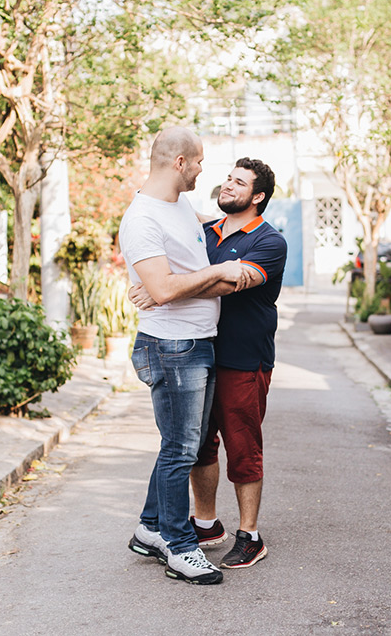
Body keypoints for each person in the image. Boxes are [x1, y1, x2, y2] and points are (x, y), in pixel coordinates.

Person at [131, 157, 286, 571]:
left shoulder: (270, 242)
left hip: (243, 359)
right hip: (201, 352)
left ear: (258, 197)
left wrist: (164, 291)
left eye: (240, 183)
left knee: (243, 447)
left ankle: (250, 536)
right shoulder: (208, 231)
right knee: (198, 446)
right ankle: (205, 523)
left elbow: (227, 283)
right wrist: (157, 284)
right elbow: (182, 248)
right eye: (228, 179)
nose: (228, 186)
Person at [118, 126, 252, 586]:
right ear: (179, 163)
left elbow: (182, 280)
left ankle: (150, 527)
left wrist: (210, 277)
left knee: (185, 445)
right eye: (198, 162)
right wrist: (221, 273)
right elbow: (163, 288)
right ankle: (179, 545)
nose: (201, 171)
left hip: (198, 341)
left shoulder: (179, 207)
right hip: (173, 347)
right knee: (180, 450)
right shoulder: (142, 219)